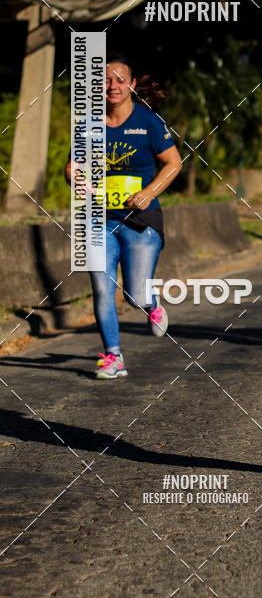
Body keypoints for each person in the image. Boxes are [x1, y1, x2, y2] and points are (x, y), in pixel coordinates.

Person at [65, 54, 182, 378]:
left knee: (134, 295)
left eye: (119, 80)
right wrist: (77, 179)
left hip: (140, 222)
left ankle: (151, 304)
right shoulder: (88, 125)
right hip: (98, 219)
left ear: (131, 84)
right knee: (103, 289)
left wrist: (149, 193)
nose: (112, 86)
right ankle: (112, 357)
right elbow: (72, 166)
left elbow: (174, 162)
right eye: (105, 80)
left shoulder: (148, 121)